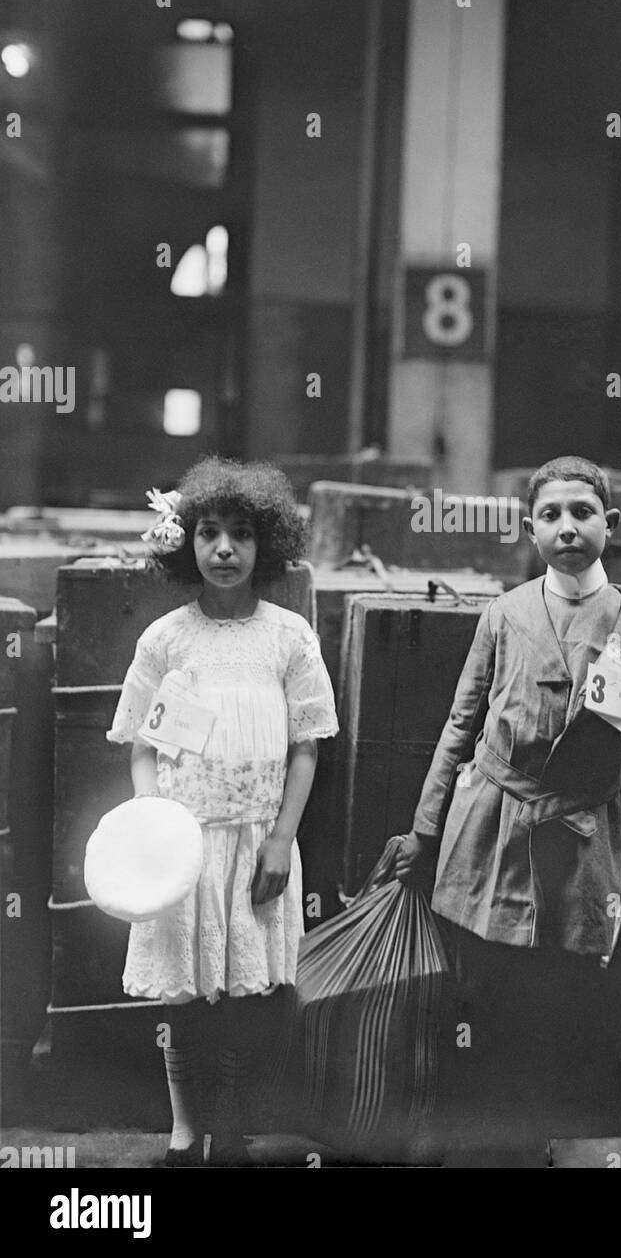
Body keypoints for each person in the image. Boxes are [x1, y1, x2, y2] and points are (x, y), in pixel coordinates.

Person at [396, 455, 621, 1158]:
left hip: (579, 837)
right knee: (481, 983)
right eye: (550, 515)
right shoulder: (504, 613)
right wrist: (426, 829)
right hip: (491, 823)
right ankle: (475, 1129)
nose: (566, 527)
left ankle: (531, 1132)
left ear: (608, 525)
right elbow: (460, 726)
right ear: (530, 528)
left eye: (581, 513)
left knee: (554, 992)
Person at [106, 457, 338, 1166]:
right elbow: (141, 744)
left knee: (242, 1000)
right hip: (184, 848)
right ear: (187, 542)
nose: (225, 550)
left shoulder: (288, 637)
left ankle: (231, 1131)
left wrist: (280, 841)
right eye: (208, 533)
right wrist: (153, 818)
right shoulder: (167, 639)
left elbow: (306, 747)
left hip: (257, 842)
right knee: (185, 998)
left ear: (266, 542)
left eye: (241, 534)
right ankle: (183, 1130)